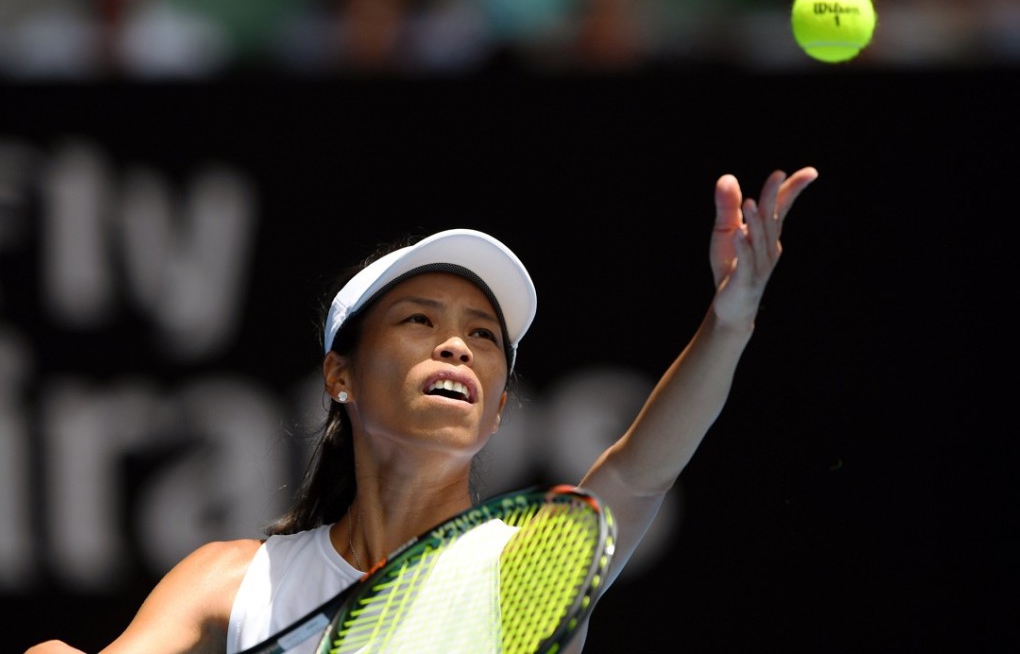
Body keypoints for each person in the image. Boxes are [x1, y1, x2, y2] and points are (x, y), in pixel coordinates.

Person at [25, 166, 820, 654]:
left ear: (500, 410)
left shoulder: (525, 569)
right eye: (420, 321)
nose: (458, 348)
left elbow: (639, 475)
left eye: (483, 337)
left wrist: (731, 319)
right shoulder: (231, 583)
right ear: (341, 375)